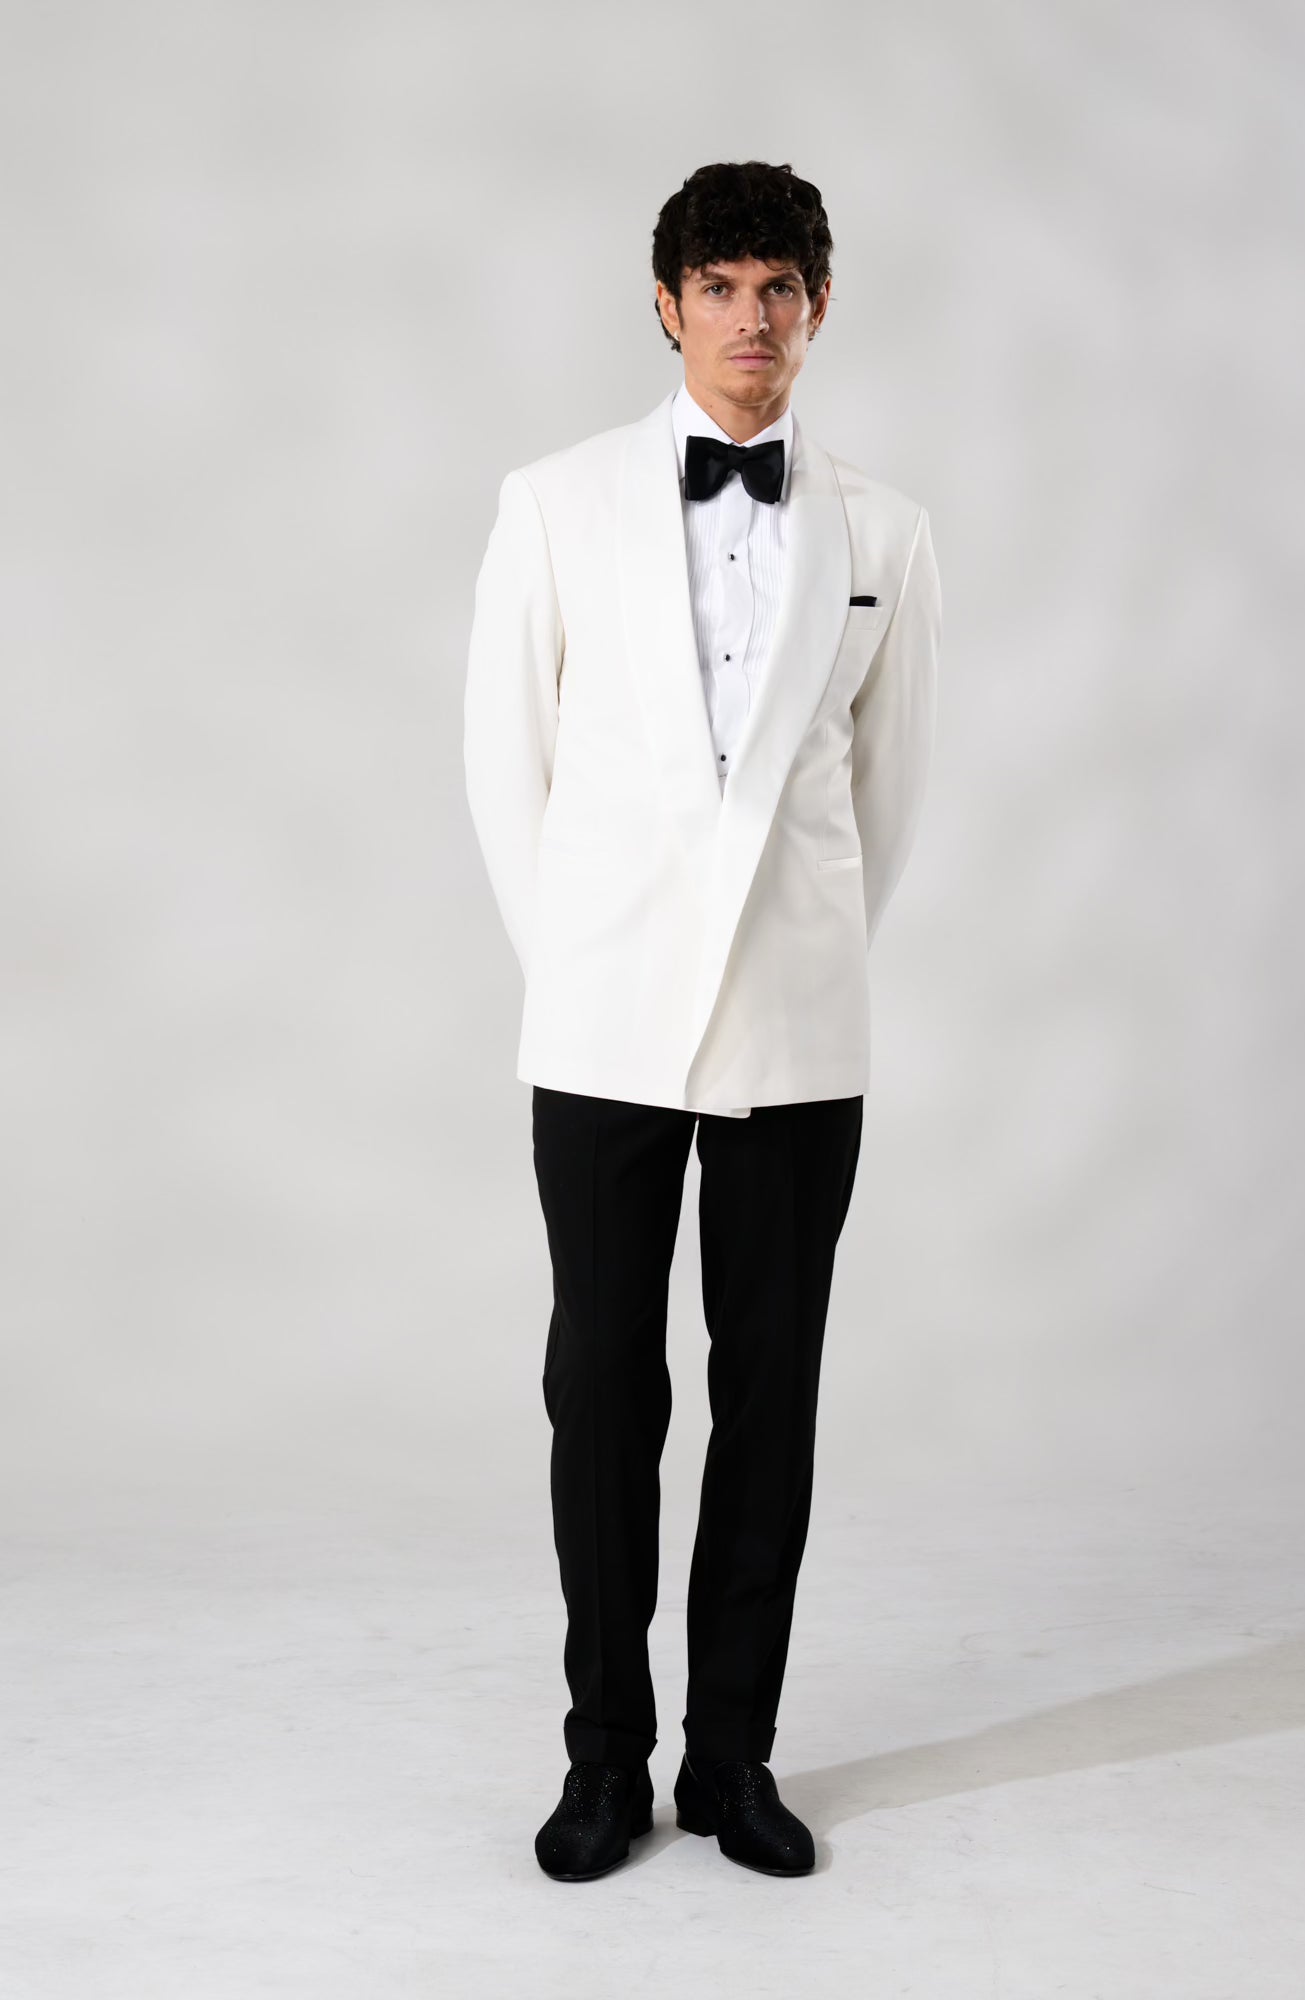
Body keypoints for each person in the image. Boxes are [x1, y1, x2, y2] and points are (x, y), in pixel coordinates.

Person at [463, 159, 942, 1880]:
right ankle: (605, 1759)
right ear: (666, 307)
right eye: (722, 288)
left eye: (780, 289)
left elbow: (887, 796)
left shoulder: (886, 533)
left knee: (771, 1394)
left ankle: (731, 1759)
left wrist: (795, 958)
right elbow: (502, 765)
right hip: (597, 1026)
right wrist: (582, 975)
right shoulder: (553, 503)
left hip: (798, 1034)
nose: (753, 319)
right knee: (601, 1389)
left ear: (819, 309)